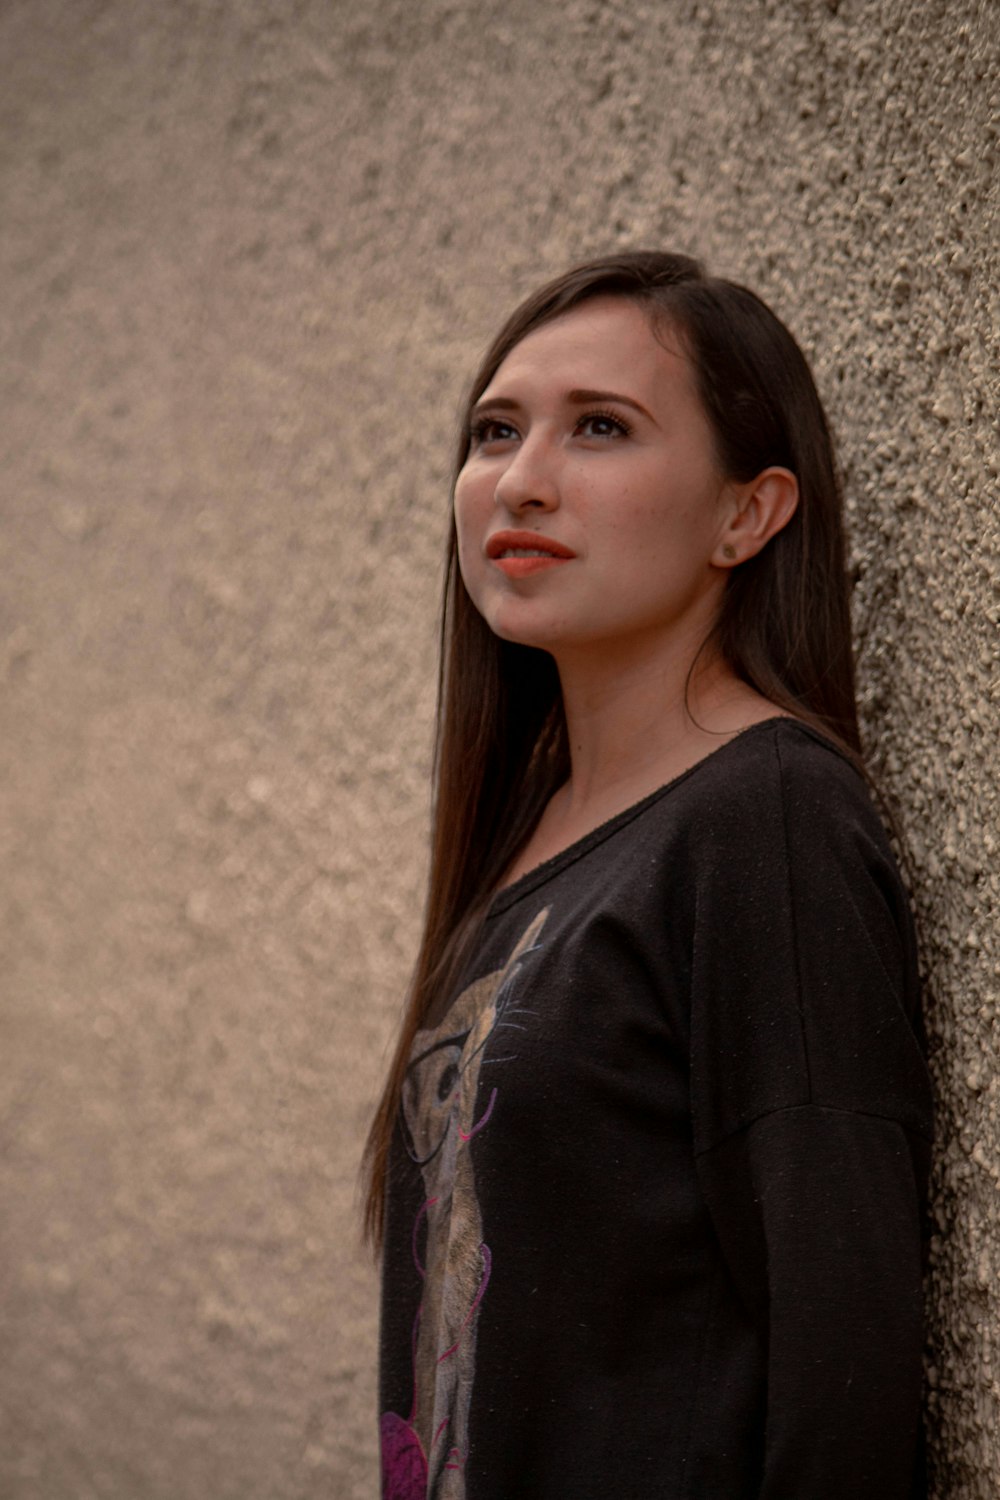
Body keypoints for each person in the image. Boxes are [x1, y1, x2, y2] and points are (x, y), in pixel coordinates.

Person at [364, 251, 933, 1500]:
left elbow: (846, 1367)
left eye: (602, 429)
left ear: (749, 512)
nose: (519, 480)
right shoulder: (533, 828)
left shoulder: (763, 819)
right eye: (495, 430)